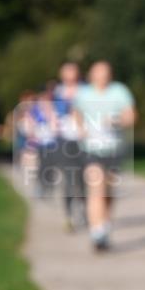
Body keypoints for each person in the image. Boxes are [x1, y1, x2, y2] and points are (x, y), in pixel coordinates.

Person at [74, 61, 136, 252]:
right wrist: (81, 129)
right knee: (96, 187)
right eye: (98, 73)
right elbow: (76, 114)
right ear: (91, 75)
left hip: (114, 148)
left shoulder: (119, 91)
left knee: (108, 191)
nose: (102, 76)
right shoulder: (83, 94)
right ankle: (96, 231)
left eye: (105, 73)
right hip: (90, 148)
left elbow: (131, 116)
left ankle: (104, 222)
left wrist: (116, 120)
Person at [52, 61, 86, 232]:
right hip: (65, 139)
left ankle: (85, 210)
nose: (71, 74)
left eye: (73, 71)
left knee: (84, 178)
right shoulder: (58, 91)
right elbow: (56, 113)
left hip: (84, 140)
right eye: (67, 71)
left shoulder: (86, 89)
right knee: (68, 179)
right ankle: (69, 216)